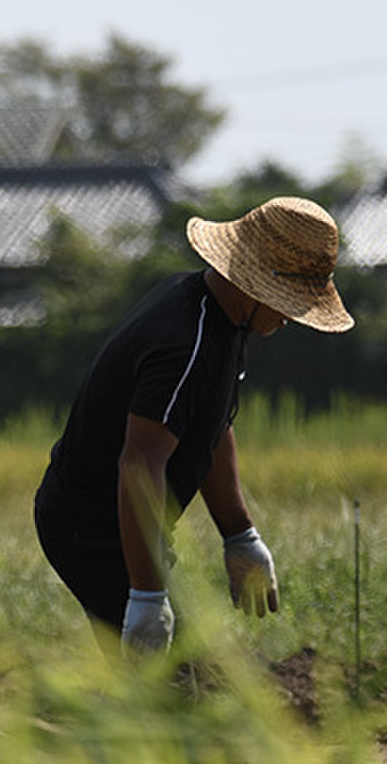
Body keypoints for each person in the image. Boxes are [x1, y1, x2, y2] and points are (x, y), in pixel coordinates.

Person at [34, 196, 354, 656]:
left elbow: (211, 429)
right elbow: (140, 465)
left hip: (124, 524)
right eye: (290, 302)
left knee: (170, 672)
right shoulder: (186, 343)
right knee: (172, 674)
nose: (292, 317)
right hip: (92, 527)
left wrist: (239, 534)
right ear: (255, 284)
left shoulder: (222, 317)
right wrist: (145, 597)